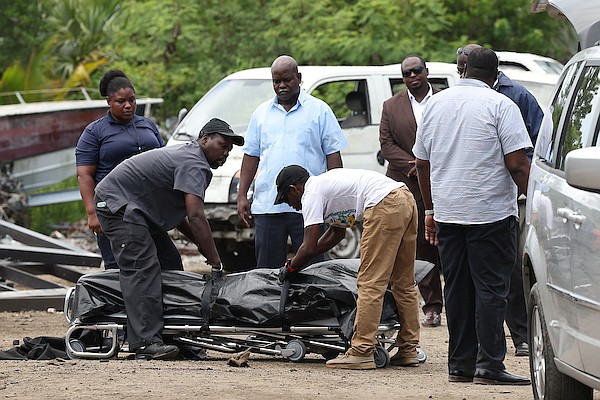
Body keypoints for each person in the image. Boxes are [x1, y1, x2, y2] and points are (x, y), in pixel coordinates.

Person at [413, 47, 532, 385]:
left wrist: (431, 209)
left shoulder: (435, 104)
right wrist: (535, 199)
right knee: (491, 290)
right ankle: (490, 366)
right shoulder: (501, 105)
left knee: (458, 289)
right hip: (490, 215)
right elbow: (517, 164)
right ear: (495, 76)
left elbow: (422, 163)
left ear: (462, 71)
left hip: (449, 214)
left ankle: (460, 365)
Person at [94, 118, 244, 360]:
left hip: (140, 212)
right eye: (222, 145)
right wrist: (216, 261)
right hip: (118, 206)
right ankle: (145, 343)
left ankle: (175, 334)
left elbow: (182, 218)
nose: (226, 153)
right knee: (143, 269)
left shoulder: (192, 157)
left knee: (171, 265)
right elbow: (196, 216)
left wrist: (203, 248)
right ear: (204, 139)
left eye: (229, 149)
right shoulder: (194, 162)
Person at [274, 165, 421, 370]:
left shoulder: (311, 193)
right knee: (403, 282)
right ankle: (408, 349)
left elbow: (307, 247)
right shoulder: (326, 187)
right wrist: (302, 258)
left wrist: (291, 267)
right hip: (404, 198)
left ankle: (361, 351)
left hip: (383, 204)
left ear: (293, 189)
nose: (290, 205)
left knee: (370, 282)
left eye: (286, 199)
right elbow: (336, 234)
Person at [458, 43, 544, 357]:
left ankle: (521, 335)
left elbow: (540, 142)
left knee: (512, 266)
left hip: (516, 194)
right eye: (458, 67)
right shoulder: (458, 99)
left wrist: (528, 186)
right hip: (472, 199)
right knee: (479, 273)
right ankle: (487, 343)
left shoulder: (516, 97)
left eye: (464, 67)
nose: (460, 73)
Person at [237, 55, 347, 268]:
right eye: (276, 81)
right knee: (266, 273)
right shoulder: (261, 114)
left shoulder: (320, 110)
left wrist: (334, 198)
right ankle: (271, 304)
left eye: (287, 80)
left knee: (313, 269)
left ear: (298, 78)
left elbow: (333, 155)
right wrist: (242, 195)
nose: (281, 86)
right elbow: (251, 156)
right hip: (269, 206)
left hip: (310, 206)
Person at [76, 69, 165, 269]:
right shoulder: (95, 131)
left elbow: (165, 161)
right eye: (121, 101)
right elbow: (85, 174)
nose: (128, 106)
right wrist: (92, 213)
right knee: (120, 269)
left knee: (165, 264)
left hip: (149, 208)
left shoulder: (147, 125)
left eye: (132, 100)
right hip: (113, 210)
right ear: (109, 101)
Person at [379, 55, 443, 328]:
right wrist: (414, 164)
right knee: (419, 246)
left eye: (417, 70)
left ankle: (460, 301)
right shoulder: (391, 106)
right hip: (408, 183)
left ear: (426, 71)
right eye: (406, 73)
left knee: (447, 242)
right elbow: (386, 144)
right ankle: (432, 307)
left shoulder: (445, 99)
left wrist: (431, 164)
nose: (412, 76)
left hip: (443, 179)